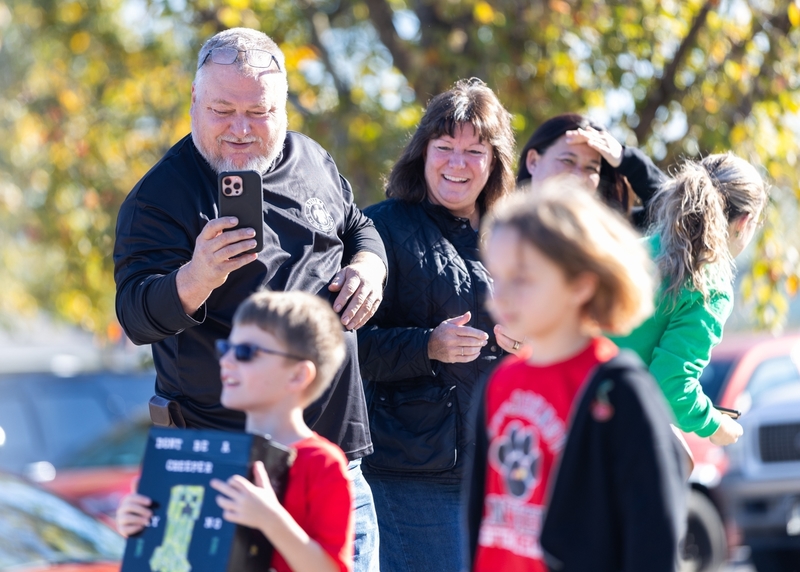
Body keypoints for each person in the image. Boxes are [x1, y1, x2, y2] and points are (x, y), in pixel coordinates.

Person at [113, 28, 385, 571]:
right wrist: (196, 277)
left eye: (258, 112)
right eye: (222, 109)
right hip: (222, 464)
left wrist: (370, 266)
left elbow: (358, 225)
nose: (240, 130)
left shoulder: (311, 159)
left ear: (283, 108)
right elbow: (136, 315)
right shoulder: (158, 198)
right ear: (193, 101)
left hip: (333, 459)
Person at [466, 184, 687, 572]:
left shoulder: (619, 389)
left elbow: (654, 533)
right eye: (496, 277)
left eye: (522, 278)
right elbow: (479, 516)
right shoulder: (499, 383)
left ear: (581, 283)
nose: (499, 295)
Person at [356, 77, 516, 572]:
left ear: (494, 162)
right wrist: (429, 346)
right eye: (444, 147)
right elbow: (345, 347)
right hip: (414, 471)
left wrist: (535, 339)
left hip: (504, 463)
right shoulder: (379, 229)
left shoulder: (517, 234)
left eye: (474, 151)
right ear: (422, 154)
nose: (457, 163)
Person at [117, 290, 354, 572]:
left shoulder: (321, 462)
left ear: (298, 375)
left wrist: (271, 521)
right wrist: (138, 523)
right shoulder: (209, 455)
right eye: (225, 349)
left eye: (245, 352)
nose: (226, 361)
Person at [611, 152, 769, 446]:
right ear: (744, 222)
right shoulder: (710, 284)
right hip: (609, 422)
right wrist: (715, 426)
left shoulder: (638, 248)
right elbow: (671, 387)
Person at [516, 112, 666, 227]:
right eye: (567, 160)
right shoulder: (500, 232)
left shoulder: (615, 235)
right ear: (533, 161)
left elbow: (678, 215)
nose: (579, 176)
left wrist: (625, 159)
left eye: (591, 168)